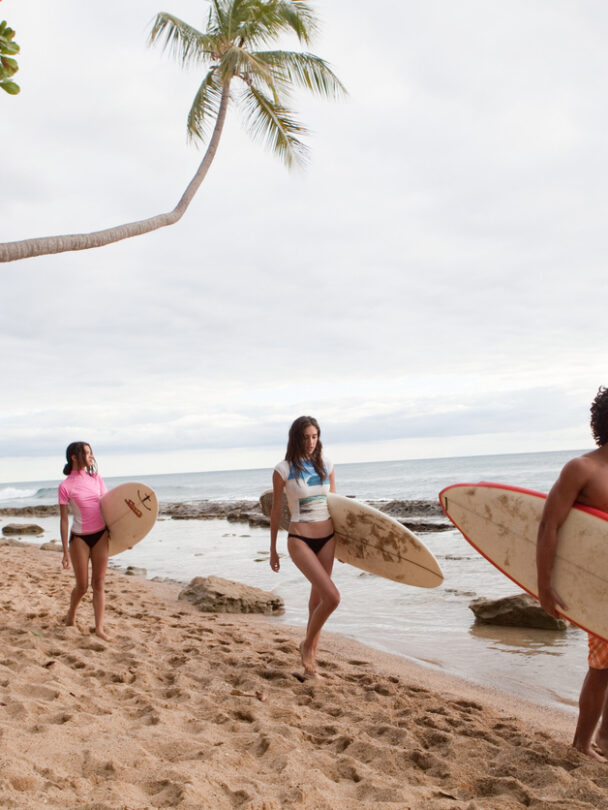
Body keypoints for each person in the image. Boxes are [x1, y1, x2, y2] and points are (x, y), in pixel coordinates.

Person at [537, 386, 608, 760]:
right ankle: (582, 743)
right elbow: (549, 525)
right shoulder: (582, 468)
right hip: (598, 586)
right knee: (602, 668)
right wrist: (544, 586)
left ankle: (605, 739)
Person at [270, 416, 340, 677]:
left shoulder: (327, 465)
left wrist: (347, 548)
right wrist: (273, 549)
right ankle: (307, 645)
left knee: (318, 600)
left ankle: (310, 666)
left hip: (329, 538)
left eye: (315, 436)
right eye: (305, 437)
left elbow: (336, 506)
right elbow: (276, 511)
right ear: (296, 438)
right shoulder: (283, 470)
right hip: (299, 538)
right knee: (333, 598)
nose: (311, 442)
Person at [58, 441, 110, 640]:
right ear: (74, 457)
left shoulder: (96, 478)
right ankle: (71, 613)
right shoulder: (65, 486)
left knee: (98, 582)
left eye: (91, 453)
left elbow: (108, 508)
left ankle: (99, 629)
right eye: (86, 453)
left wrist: (126, 536)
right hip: (79, 537)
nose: (91, 457)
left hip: (101, 535)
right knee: (82, 585)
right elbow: (64, 520)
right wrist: (64, 552)